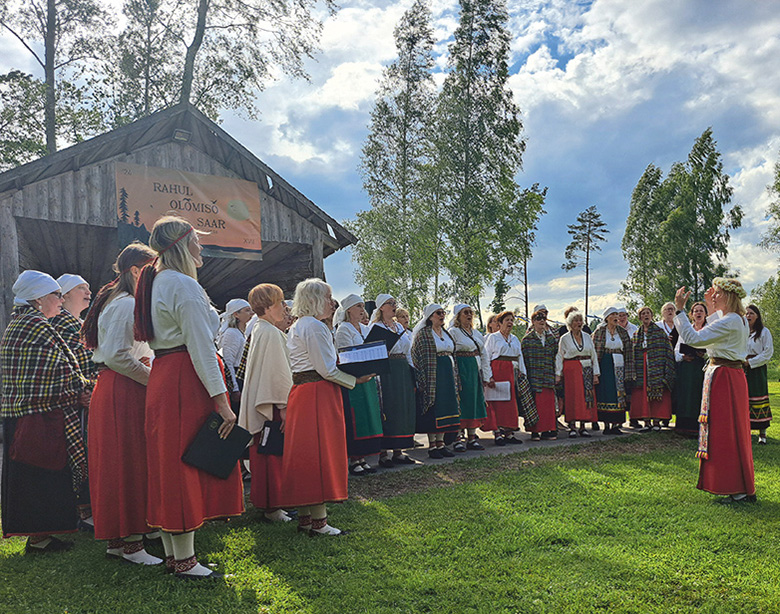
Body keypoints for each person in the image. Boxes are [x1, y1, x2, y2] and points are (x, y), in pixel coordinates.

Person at [134, 215, 244, 578]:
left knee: (168, 462)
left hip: (165, 376)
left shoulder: (153, 282)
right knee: (183, 463)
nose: (201, 246)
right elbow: (200, 346)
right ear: (183, 244)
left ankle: (175, 555)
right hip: (185, 378)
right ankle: (185, 561)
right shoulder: (182, 284)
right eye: (197, 240)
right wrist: (222, 401)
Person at [81, 243, 161, 565]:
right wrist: (153, 379)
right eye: (152, 270)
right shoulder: (126, 303)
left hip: (120, 388)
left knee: (119, 463)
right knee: (127, 463)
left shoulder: (119, 301)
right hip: (124, 389)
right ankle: (131, 544)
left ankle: (121, 540)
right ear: (136, 271)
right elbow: (117, 356)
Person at [1, 271, 91, 552]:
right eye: (56, 295)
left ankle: (40, 536)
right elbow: (59, 369)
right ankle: (39, 538)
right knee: (41, 474)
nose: (60, 301)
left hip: (28, 412)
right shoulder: (34, 324)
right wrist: (83, 390)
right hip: (37, 414)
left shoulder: (25, 322)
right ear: (39, 299)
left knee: (34, 475)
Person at [282, 279, 374, 535]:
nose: (333, 303)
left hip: (304, 393)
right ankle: (319, 523)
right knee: (319, 453)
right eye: (328, 297)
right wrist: (355, 380)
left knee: (305, 453)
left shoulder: (300, 325)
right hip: (317, 394)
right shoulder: (314, 326)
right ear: (314, 299)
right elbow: (327, 369)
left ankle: (305, 517)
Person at [674, 279, 755, 502]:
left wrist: (680, 310)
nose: (714, 295)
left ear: (728, 296)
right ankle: (738, 486)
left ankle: (734, 487)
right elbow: (715, 330)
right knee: (732, 429)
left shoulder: (730, 321)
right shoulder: (737, 319)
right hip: (730, 375)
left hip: (724, 377)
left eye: (718, 293)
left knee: (724, 431)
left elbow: (695, 339)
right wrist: (711, 307)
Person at [238, 283, 293, 522]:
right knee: (272, 454)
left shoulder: (261, 328)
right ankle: (273, 507)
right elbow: (276, 374)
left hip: (266, 400)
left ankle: (271, 504)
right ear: (269, 306)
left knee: (267, 453)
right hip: (272, 404)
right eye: (280, 303)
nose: (284, 308)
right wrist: (284, 408)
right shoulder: (269, 332)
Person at [334, 294, 383, 475]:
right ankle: (355, 459)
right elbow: (345, 355)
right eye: (358, 306)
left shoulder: (364, 328)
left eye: (363, 306)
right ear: (349, 310)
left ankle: (364, 457)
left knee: (369, 415)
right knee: (358, 416)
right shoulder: (343, 330)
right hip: (354, 379)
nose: (363, 310)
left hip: (368, 377)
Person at [369, 295, 417, 467]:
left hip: (402, 369)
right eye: (391, 303)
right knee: (388, 407)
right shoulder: (375, 327)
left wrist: (412, 370)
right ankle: (383, 453)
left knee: (402, 408)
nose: (394, 306)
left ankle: (399, 451)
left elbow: (408, 350)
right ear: (382, 307)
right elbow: (372, 350)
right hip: (386, 371)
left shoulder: (399, 327)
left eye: (395, 303)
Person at [411, 304, 462, 457]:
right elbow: (418, 357)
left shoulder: (446, 333)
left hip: (448, 375)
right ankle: (432, 445)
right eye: (438, 313)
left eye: (443, 312)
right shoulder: (423, 334)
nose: (442, 315)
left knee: (446, 407)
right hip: (433, 376)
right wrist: (422, 379)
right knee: (434, 407)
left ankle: (441, 443)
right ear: (430, 316)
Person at [448, 303, 493, 450]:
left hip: (474, 371)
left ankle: (472, 438)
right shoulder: (453, 332)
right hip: (461, 371)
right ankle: (457, 439)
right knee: (462, 402)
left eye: (470, 313)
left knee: (474, 401)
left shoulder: (476, 333)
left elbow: (484, 354)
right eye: (465, 312)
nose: (469, 315)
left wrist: (486, 375)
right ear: (458, 316)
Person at [483, 311, 525, 445]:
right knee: (497, 403)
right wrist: (488, 376)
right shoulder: (493, 338)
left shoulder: (515, 339)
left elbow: (520, 356)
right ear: (499, 323)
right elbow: (486, 357)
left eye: (512, 320)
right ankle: (497, 433)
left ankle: (509, 433)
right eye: (507, 320)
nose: (510, 322)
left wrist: (522, 373)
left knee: (510, 404)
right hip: (498, 372)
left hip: (511, 373)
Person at [630, 306, 675, 432]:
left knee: (657, 393)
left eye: (648, 313)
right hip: (641, 367)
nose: (646, 315)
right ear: (640, 317)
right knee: (643, 394)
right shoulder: (636, 334)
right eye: (643, 313)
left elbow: (667, 350)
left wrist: (666, 368)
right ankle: (646, 422)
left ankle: (656, 422)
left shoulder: (659, 332)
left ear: (652, 316)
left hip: (657, 367)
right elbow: (632, 352)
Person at [556, 309, 599, 437]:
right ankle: (572, 426)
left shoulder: (587, 336)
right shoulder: (564, 338)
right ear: (570, 323)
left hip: (587, 368)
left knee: (586, 397)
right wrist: (558, 373)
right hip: (571, 370)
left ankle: (583, 426)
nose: (578, 323)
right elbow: (560, 356)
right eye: (575, 321)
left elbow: (593, 354)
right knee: (573, 397)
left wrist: (596, 373)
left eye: (580, 320)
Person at [592, 307, 634, 435]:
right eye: (613, 315)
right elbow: (594, 352)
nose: (616, 317)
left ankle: (616, 424)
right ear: (607, 318)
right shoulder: (600, 332)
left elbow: (628, 351)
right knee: (605, 392)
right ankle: (606, 424)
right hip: (605, 365)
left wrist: (629, 370)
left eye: (617, 315)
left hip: (619, 364)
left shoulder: (622, 332)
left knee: (618, 394)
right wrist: (595, 371)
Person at [522, 308, 559, 441]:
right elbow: (524, 359)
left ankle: (547, 430)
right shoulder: (527, 340)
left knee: (548, 405)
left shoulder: (551, 339)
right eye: (538, 319)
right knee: (535, 405)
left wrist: (557, 374)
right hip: (534, 377)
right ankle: (534, 431)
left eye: (544, 319)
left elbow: (556, 357)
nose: (542, 321)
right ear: (533, 321)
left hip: (548, 376)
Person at [673, 302, 708, 437]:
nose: (698, 313)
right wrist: (683, 356)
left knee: (699, 395)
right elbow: (676, 349)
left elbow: (715, 349)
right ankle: (683, 426)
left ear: (706, 314)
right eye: (695, 311)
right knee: (685, 395)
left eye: (701, 311)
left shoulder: (709, 329)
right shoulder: (686, 330)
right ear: (691, 315)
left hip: (702, 367)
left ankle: (699, 426)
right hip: (687, 368)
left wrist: (704, 355)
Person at [745, 304, 773, 444]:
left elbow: (767, 352)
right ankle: (746, 432)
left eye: (751, 313)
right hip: (742, 368)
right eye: (746, 313)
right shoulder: (742, 332)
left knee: (758, 397)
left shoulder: (764, 332)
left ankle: (762, 433)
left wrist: (751, 362)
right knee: (744, 398)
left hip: (757, 369)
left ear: (757, 316)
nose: (748, 316)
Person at [218, 298, 253, 409]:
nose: (251, 313)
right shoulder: (231, 333)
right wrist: (235, 388)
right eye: (247, 310)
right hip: (237, 377)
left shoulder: (241, 333)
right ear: (236, 314)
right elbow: (229, 362)